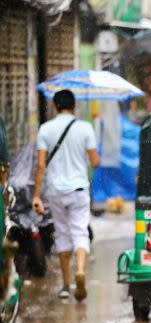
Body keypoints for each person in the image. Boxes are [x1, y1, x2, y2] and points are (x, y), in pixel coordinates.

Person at [32, 90, 99, 301]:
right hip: (79, 189)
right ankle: (80, 270)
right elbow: (95, 161)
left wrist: (36, 196)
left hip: (55, 191)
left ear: (55, 106)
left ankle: (66, 285)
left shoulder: (45, 129)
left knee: (62, 234)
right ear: (74, 105)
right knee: (80, 232)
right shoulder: (85, 128)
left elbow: (41, 165)